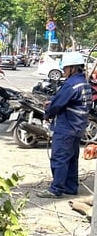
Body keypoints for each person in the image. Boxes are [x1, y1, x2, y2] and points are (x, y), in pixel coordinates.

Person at [37, 52, 91, 198]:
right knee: (71, 158)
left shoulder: (71, 84)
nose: (64, 71)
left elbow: (57, 104)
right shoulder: (84, 83)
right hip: (77, 128)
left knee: (59, 158)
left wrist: (48, 112)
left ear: (73, 68)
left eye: (65, 68)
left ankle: (56, 189)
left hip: (66, 127)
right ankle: (70, 187)